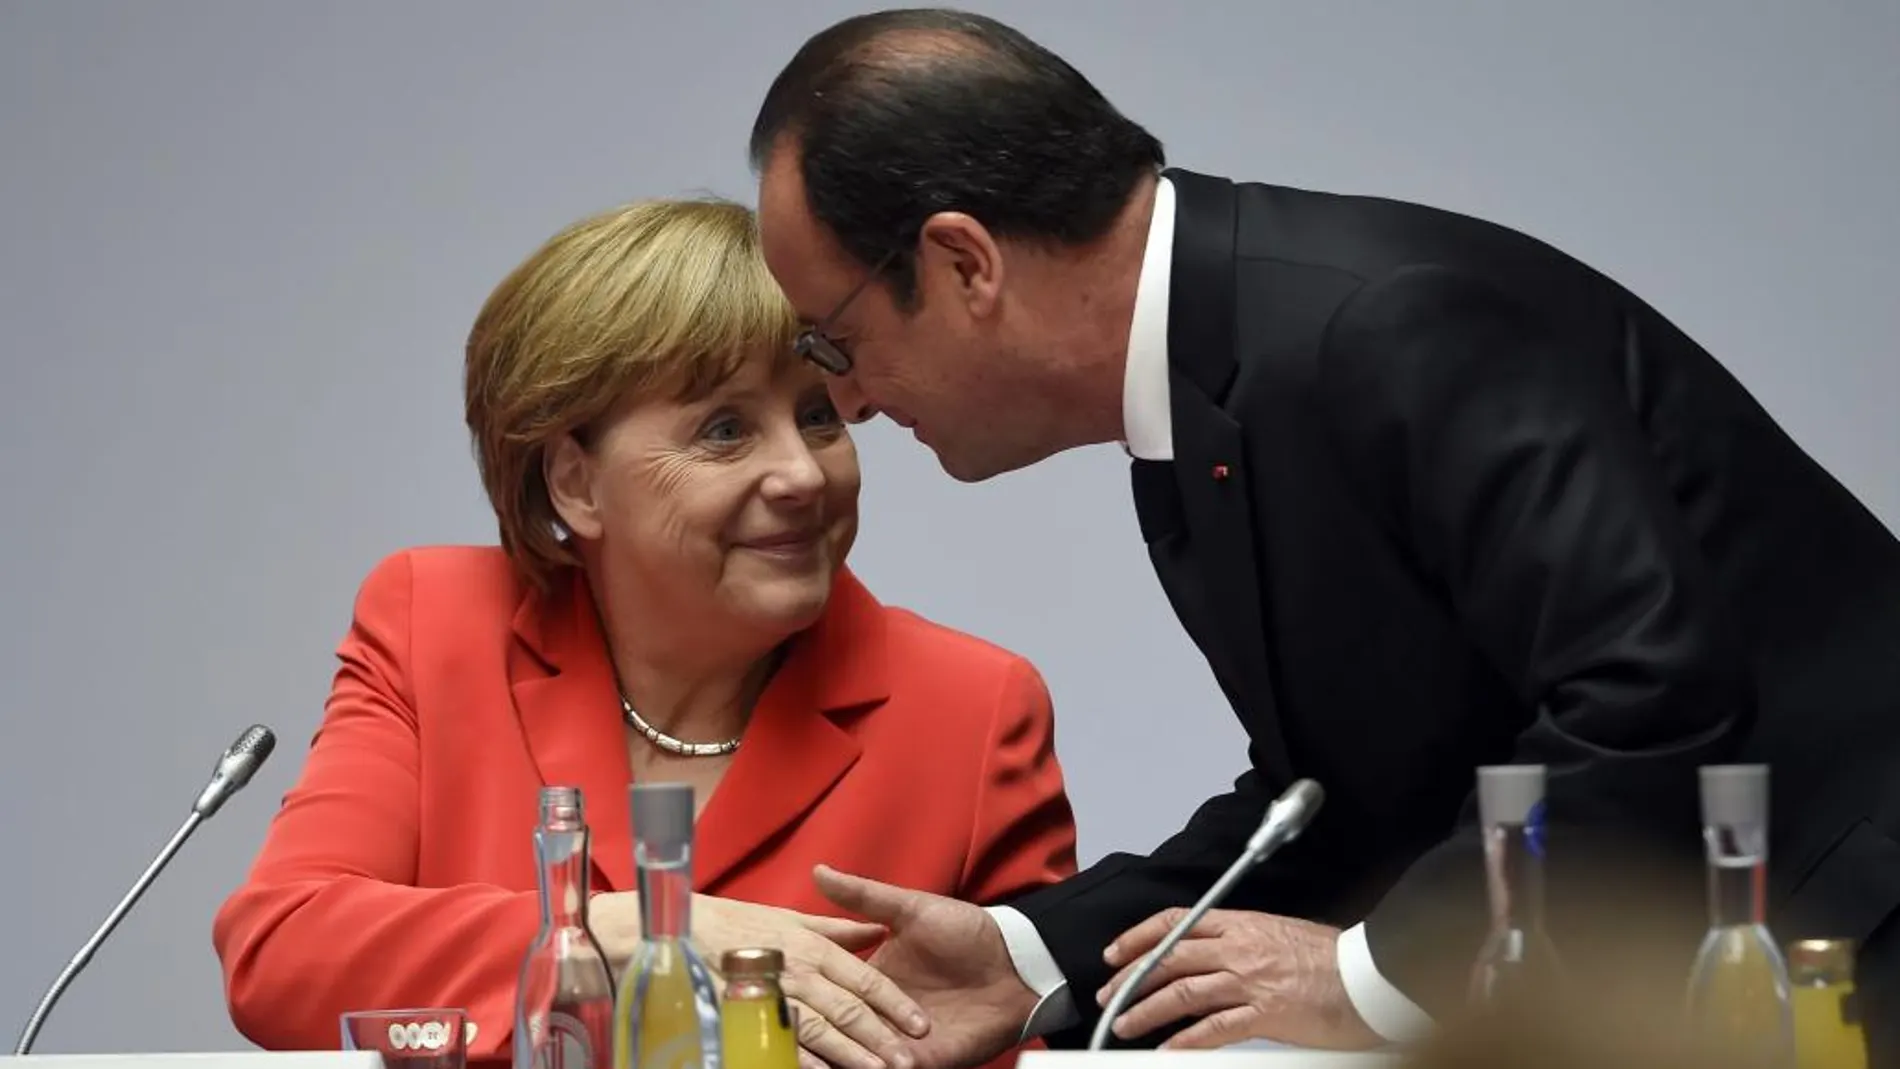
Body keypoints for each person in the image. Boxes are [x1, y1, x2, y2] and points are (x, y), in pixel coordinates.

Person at [743, 7, 1900, 1066]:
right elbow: (1343, 791)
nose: (846, 403)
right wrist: (1029, 954)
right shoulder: (1208, 375)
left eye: (832, 344)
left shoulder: (1389, 325)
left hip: (1852, 929)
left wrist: (1367, 974)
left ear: (961, 263)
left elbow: (1649, 702)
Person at [209, 196, 1079, 1069]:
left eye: (818, 414)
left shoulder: (972, 707)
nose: (801, 472)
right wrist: (621, 938)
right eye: (726, 429)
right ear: (575, 483)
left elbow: (1041, 1042)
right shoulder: (433, 621)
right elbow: (281, 950)